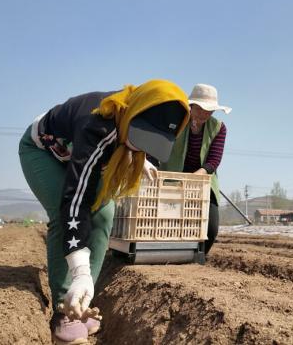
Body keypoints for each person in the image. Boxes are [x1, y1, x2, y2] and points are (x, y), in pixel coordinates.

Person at [19, 80, 189, 345]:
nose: (139, 145)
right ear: (132, 113)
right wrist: (79, 271)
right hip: (45, 153)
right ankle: (65, 309)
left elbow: (126, 142)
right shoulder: (98, 124)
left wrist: (135, 157)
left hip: (79, 154)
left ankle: (82, 301)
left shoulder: (130, 121)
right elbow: (76, 200)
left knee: (104, 215)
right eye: (139, 136)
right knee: (64, 215)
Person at [160, 83, 230, 254]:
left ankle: (197, 258)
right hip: (173, 177)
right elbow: (159, 145)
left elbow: (214, 158)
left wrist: (199, 174)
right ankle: (170, 255)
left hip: (203, 179)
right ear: (191, 106)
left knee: (210, 228)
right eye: (201, 109)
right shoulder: (176, 121)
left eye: (210, 110)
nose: (205, 114)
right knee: (170, 220)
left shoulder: (218, 127)